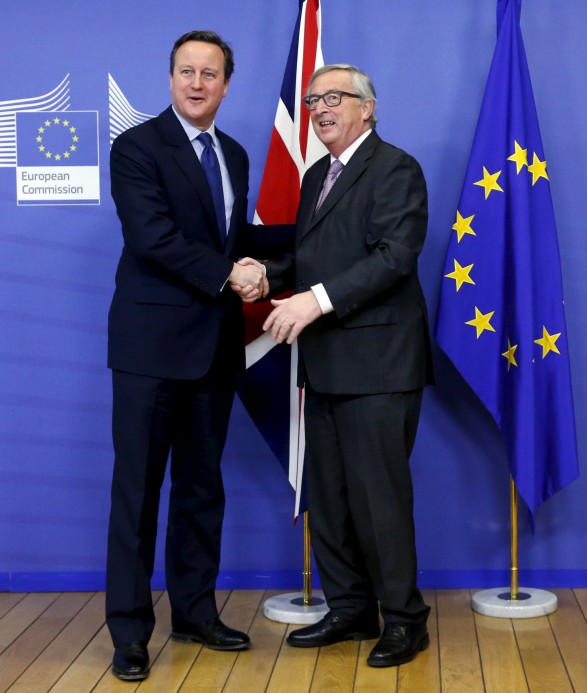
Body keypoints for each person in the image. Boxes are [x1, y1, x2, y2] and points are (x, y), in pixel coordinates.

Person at [104, 30, 272, 682]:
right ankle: (130, 633)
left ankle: (197, 611)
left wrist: (271, 265)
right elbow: (154, 240)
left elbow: (233, 239)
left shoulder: (233, 152)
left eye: (210, 73)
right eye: (185, 71)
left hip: (214, 352)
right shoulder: (136, 147)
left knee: (202, 492)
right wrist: (235, 274)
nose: (197, 83)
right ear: (170, 78)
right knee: (138, 497)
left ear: (226, 84)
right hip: (149, 354)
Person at [262, 64, 434, 668]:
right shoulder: (315, 176)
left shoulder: (396, 168)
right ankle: (353, 609)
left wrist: (314, 300)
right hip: (325, 361)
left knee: (378, 498)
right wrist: (268, 277)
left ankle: (406, 621)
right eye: (313, 100)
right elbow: (311, 260)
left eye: (333, 98)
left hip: (381, 362)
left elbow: (394, 256)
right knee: (330, 497)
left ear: (368, 108)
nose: (319, 108)